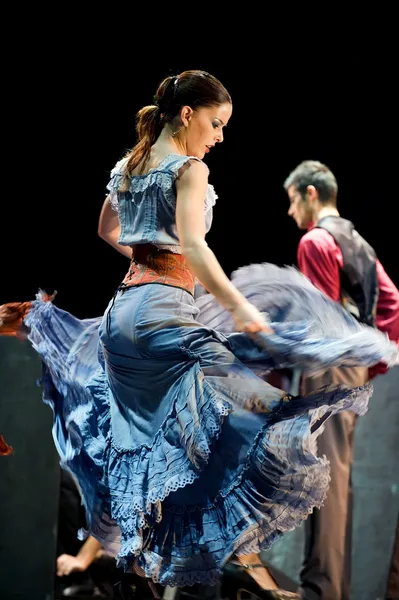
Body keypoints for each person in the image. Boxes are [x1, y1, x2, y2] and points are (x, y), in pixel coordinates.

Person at [0, 72, 398, 600]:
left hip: (123, 315)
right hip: (162, 314)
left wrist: (149, 260)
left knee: (157, 440)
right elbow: (194, 247)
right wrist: (239, 306)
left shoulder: (129, 165)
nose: (220, 136)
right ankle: (213, 562)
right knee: (254, 409)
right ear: (187, 114)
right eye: (216, 123)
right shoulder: (190, 168)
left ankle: (153, 565)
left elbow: (106, 231)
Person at [284, 160, 399, 600]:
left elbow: (319, 322)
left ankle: (322, 590)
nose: (290, 212)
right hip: (348, 366)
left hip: (329, 365)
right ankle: (331, 586)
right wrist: (371, 364)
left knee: (321, 476)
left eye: (292, 201)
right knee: (334, 475)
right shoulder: (359, 241)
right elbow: (391, 302)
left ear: (311, 195)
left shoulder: (316, 239)